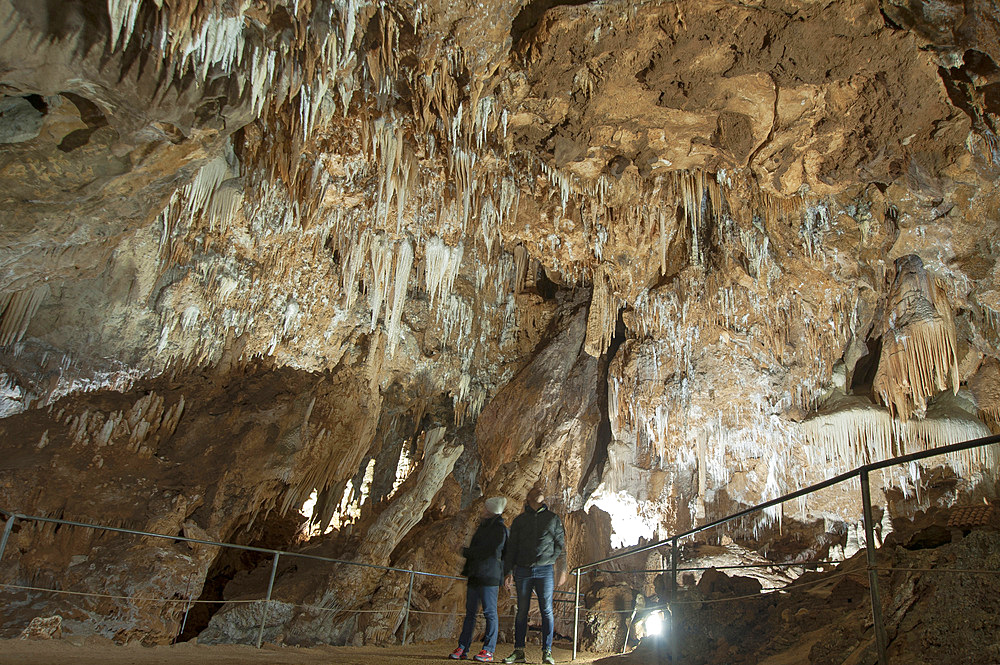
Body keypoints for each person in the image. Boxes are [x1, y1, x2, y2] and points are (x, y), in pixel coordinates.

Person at [502, 487, 566, 665]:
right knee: (522, 611)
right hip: (522, 569)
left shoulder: (552, 518)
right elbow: (512, 548)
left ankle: (547, 651)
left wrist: (562, 569)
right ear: (528, 498)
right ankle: (519, 650)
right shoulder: (520, 521)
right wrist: (508, 572)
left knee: (546, 610)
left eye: (540, 490)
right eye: (535, 490)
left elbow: (560, 545)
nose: (539, 490)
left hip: (544, 569)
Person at [450, 496, 509, 662]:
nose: (482, 511)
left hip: (489, 576)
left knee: (490, 613)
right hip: (476, 575)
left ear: (490, 511)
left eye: (485, 509)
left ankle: (488, 650)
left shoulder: (499, 529)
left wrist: (464, 551)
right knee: (470, 614)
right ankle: (463, 647)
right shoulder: (482, 527)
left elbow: (488, 552)